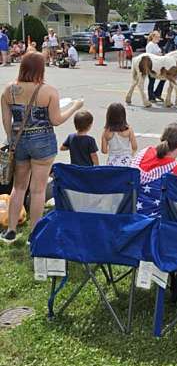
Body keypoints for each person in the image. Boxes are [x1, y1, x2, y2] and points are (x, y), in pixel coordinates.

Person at [0, 51, 84, 243]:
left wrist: (12, 140)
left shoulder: (8, 90)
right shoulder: (48, 91)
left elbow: (6, 120)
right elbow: (56, 120)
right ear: (40, 69)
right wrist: (75, 107)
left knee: (18, 187)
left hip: (19, 141)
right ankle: (34, 234)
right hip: (43, 142)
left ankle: (11, 230)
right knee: (38, 190)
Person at [101, 102, 138, 167]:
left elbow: (104, 151)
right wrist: (131, 155)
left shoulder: (106, 132)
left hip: (112, 161)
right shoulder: (128, 129)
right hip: (126, 160)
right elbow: (134, 147)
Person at [145, 30, 165, 103]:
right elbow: (149, 56)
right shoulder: (150, 45)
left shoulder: (156, 44)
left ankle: (157, 93)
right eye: (157, 37)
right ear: (153, 37)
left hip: (158, 65)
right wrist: (157, 55)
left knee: (163, 78)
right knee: (152, 81)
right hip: (152, 65)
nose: (158, 39)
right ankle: (151, 97)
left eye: (159, 37)